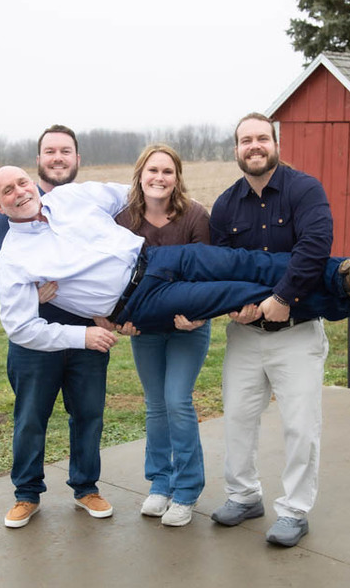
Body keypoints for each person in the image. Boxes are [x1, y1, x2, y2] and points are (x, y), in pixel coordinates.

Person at [208, 113, 350, 547]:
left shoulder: (304, 189)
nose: (254, 146)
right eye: (246, 140)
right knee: (237, 419)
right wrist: (236, 307)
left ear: (276, 144)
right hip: (246, 335)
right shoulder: (225, 205)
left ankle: (294, 511)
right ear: (236, 149)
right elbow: (222, 265)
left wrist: (283, 297)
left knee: (301, 426)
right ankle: (244, 495)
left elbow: (314, 246)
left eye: (262, 138)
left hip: (297, 330)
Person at [0, 165, 350, 348]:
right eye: (8, 191)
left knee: (245, 262)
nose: (20, 192)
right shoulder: (15, 260)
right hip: (137, 302)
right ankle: (348, 301)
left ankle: (346, 274)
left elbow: (128, 194)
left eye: (22, 182)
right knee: (239, 292)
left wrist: (171, 198)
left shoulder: (70, 198)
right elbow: (19, 327)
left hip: (157, 258)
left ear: (32, 183)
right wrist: (81, 335)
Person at [0, 125, 116, 529]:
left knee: (89, 414)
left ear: (78, 158)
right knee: (30, 418)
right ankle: (26, 494)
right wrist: (35, 293)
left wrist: (107, 306)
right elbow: (13, 286)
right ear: (38, 160)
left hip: (88, 334)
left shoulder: (81, 206)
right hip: (35, 340)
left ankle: (86, 487)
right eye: (49, 151)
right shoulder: (6, 221)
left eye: (65, 151)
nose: (57, 158)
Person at [113, 145, 211, 527]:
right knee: (155, 405)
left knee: (177, 400)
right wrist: (120, 320)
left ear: (177, 178)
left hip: (188, 327)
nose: (159, 177)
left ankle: (186, 490)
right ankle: (160, 482)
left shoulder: (195, 216)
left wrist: (199, 315)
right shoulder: (124, 220)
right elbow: (113, 277)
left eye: (167, 171)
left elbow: (210, 273)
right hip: (146, 329)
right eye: (152, 170)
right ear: (140, 175)